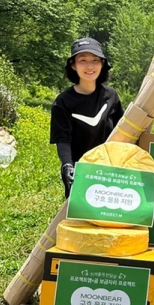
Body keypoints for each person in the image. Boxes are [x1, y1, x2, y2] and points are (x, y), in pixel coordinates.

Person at [50, 37, 124, 197]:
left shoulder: (111, 96)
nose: (90, 66)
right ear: (73, 65)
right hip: (81, 173)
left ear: (102, 64)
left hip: (111, 170)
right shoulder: (63, 102)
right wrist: (67, 166)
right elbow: (63, 140)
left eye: (95, 60)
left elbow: (124, 130)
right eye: (83, 60)